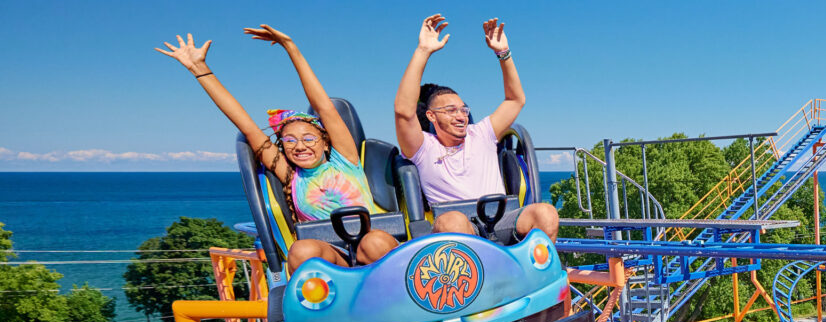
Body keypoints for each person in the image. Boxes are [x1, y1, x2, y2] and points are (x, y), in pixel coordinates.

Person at [156, 27, 398, 272]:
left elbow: (323, 107)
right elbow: (246, 125)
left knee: (374, 242)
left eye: (308, 139)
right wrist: (199, 69)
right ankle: (315, 306)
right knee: (302, 250)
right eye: (290, 141)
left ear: (325, 142)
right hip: (334, 257)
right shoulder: (291, 176)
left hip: (376, 247)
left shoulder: (345, 159)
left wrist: (290, 47)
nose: (300, 145)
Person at [394, 14, 558, 244]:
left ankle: (537, 274)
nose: (461, 116)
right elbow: (403, 111)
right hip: (459, 227)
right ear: (431, 116)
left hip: (500, 219)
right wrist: (422, 51)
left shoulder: (482, 133)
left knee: (546, 213)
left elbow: (515, 100)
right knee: (453, 222)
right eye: (451, 110)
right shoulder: (422, 147)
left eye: (463, 110)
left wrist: (504, 54)